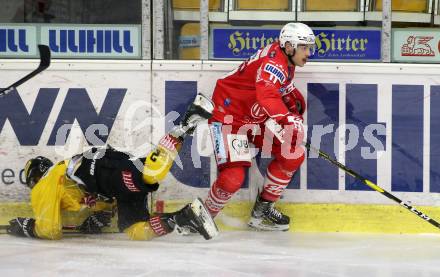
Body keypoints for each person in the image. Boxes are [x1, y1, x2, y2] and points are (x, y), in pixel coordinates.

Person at [6, 94, 219, 241]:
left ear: (35, 177)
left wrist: (27, 228)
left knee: (150, 174)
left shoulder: (47, 182)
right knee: (134, 231)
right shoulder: (63, 183)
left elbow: (50, 230)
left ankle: (186, 122)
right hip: (111, 184)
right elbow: (97, 203)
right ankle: (184, 217)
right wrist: (98, 218)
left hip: (103, 170)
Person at [203, 22, 316, 231]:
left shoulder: (284, 59)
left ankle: (262, 210)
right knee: (232, 178)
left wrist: (293, 108)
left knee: (292, 153)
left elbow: (278, 90)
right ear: (289, 46)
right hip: (229, 117)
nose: (309, 53)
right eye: (304, 47)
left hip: (255, 119)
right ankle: (202, 217)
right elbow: (267, 93)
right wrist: (286, 118)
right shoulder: (274, 64)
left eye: (310, 47)